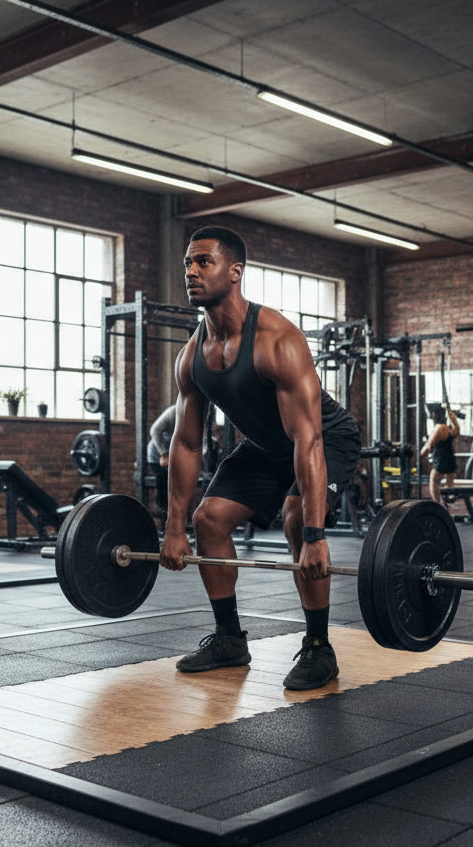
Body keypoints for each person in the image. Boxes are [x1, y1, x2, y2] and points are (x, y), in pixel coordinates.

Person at [160, 227, 361, 691]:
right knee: (208, 520)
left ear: (235, 272)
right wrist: (174, 528)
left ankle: (318, 648)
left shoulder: (277, 339)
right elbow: (186, 444)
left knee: (295, 518)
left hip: (323, 437)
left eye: (203, 262)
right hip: (264, 445)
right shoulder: (191, 357)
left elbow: (307, 440)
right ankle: (230, 639)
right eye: (187, 263)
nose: (190, 271)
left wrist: (315, 536)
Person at [420, 407, 460, 505]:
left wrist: (421, 452)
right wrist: (450, 412)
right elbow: (456, 427)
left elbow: (429, 446)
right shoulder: (451, 428)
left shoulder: (438, 428)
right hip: (450, 460)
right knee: (449, 484)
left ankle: (438, 504)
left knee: (433, 481)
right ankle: (446, 504)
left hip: (441, 460)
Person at [148, 404, 177, 520]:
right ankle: (162, 510)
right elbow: (154, 431)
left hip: (174, 456)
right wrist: (164, 453)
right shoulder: (173, 412)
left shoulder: (199, 414)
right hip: (157, 455)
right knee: (164, 476)